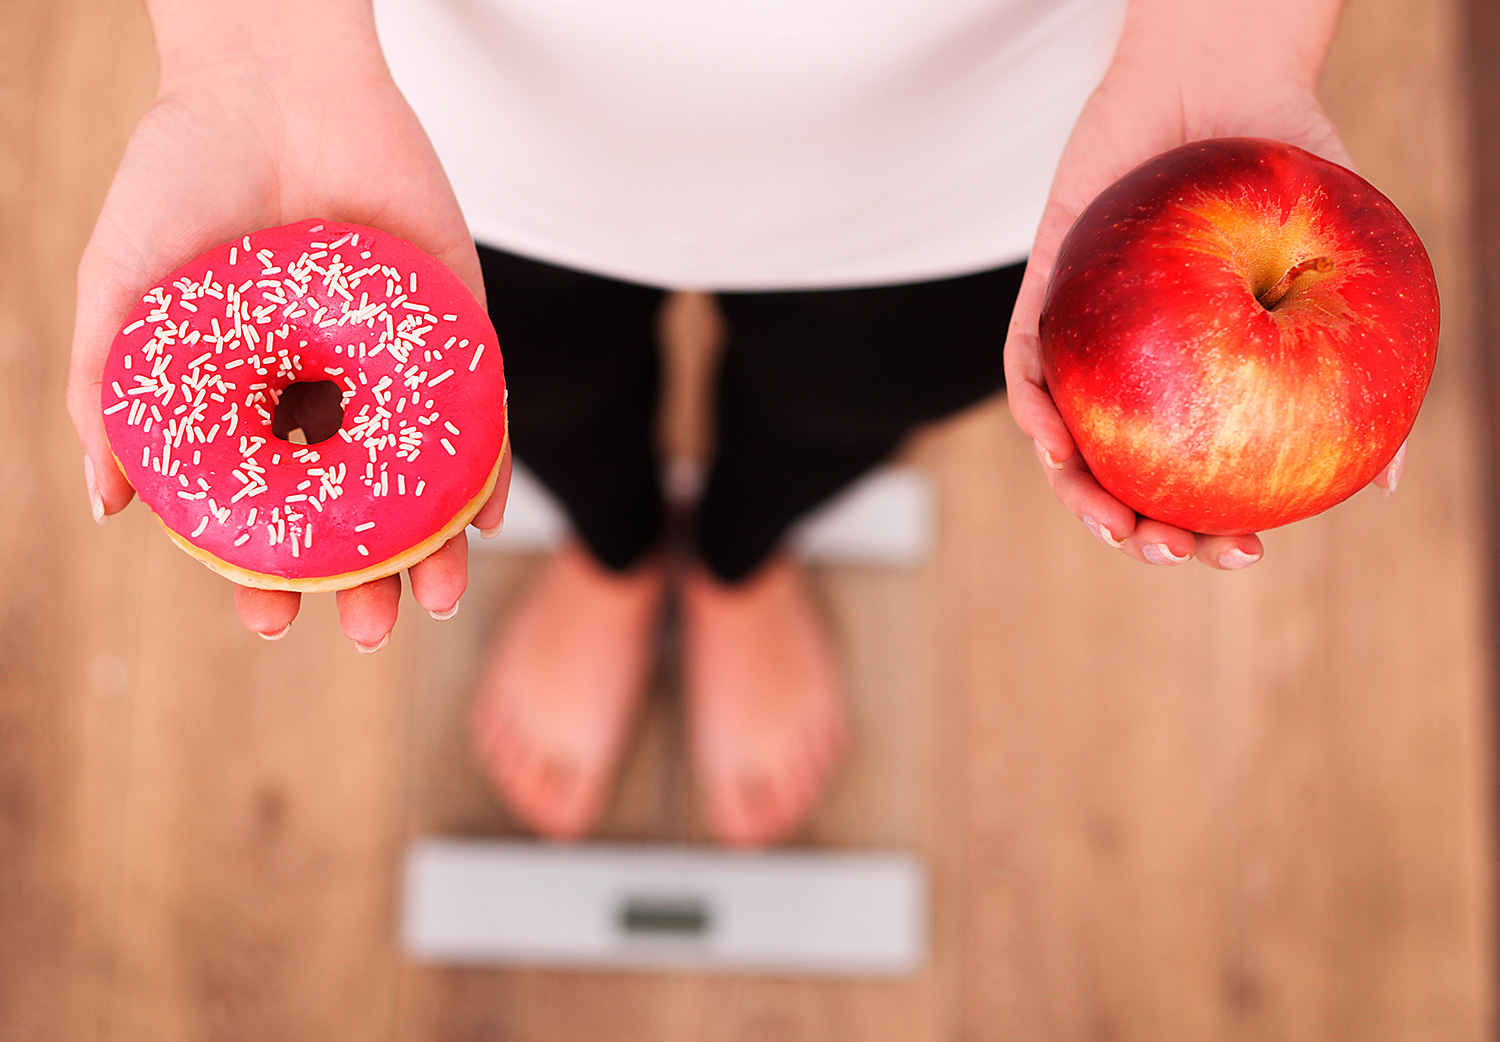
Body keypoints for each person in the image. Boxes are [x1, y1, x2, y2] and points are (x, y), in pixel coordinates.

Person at [68, 0, 1400, 848]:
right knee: (538, 389)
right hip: (417, 97)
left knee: (850, 394)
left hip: (1012, 121)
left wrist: (1230, 35)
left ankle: (739, 556)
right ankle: (613, 544)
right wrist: (253, 40)